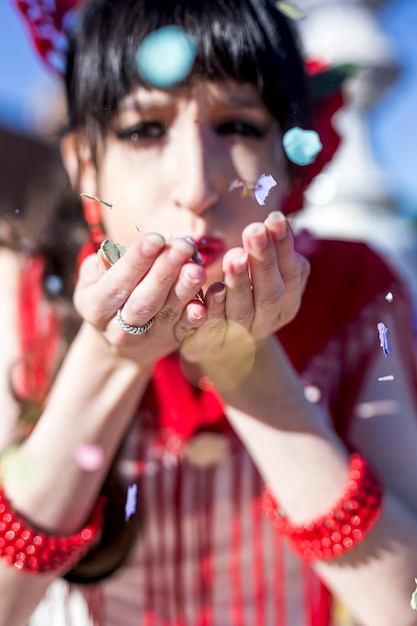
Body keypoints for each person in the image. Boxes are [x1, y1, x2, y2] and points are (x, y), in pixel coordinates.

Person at [2, 0, 417, 624]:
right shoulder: (28, 292)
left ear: (288, 157)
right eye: (145, 130)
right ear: (84, 162)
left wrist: (250, 368)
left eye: (239, 127)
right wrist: (108, 356)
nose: (196, 186)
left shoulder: (356, 289)